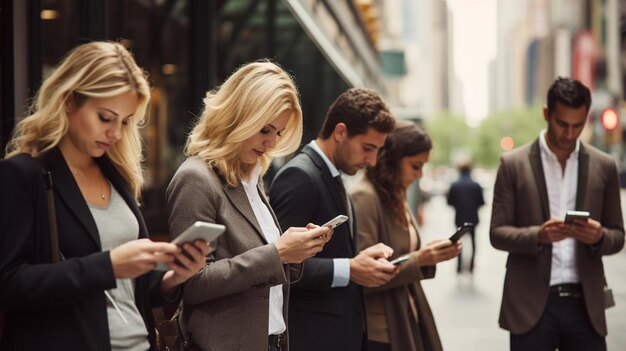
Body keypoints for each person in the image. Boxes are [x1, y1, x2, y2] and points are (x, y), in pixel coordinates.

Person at [0, 41, 209, 351]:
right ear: (69, 101)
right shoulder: (24, 174)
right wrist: (108, 266)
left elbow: (133, 288)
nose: (115, 133)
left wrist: (173, 278)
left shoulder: (117, 175)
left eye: (124, 121)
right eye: (105, 117)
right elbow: (8, 283)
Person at [166, 61, 331, 351]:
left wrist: (295, 253)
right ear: (237, 115)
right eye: (264, 129)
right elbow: (192, 283)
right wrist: (277, 253)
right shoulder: (197, 178)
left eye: (277, 133)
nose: (270, 143)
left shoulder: (252, 178)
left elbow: (264, 271)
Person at [490, 77, 625, 351]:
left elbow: (618, 236)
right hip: (531, 307)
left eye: (578, 125)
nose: (569, 134)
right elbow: (497, 233)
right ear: (546, 114)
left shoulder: (605, 166)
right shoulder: (513, 164)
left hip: (585, 305)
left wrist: (599, 236)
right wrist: (538, 235)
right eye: (562, 123)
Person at [269, 88, 399, 351]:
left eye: (377, 150)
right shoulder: (299, 177)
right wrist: (350, 268)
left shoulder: (332, 176)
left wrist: (361, 260)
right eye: (367, 148)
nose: (372, 161)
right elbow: (277, 266)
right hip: (312, 338)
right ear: (340, 132)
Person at [351, 120, 461, 351]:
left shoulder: (395, 195)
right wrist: (421, 258)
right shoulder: (365, 196)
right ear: (392, 161)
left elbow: (406, 253)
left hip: (406, 315)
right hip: (381, 327)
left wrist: (430, 254)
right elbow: (365, 273)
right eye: (415, 166)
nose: (420, 174)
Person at [447, 162, 484, 273]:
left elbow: (450, 201)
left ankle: (459, 266)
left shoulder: (455, 185)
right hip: (473, 218)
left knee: (458, 242)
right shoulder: (476, 185)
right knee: (473, 242)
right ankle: (471, 266)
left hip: (460, 218)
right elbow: (481, 202)